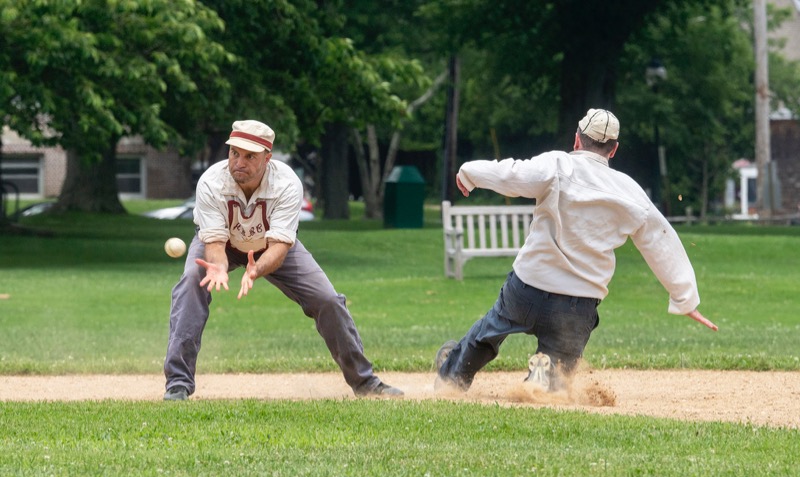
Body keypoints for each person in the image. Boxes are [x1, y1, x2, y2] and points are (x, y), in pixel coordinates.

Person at [435, 108, 718, 392]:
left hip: (528, 288)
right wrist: (685, 298)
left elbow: (512, 173)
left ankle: (452, 378)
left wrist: (469, 172)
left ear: (577, 140)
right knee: (561, 369)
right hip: (578, 303)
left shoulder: (558, 165)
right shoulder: (629, 191)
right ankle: (545, 375)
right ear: (614, 150)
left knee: (487, 333)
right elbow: (660, 240)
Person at [163, 120, 403, 400]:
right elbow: (214, 241)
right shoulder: (211, 182)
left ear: (268, 158)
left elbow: (280, 245)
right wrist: (217, 265)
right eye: (234, 153)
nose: (239, 162)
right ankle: (178, 383)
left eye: (250, 156)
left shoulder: (286, 184)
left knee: (326, 299)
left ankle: (365, 383)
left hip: (272, 247)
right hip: (222, 244)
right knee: (192, 281)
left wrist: (257, 268)